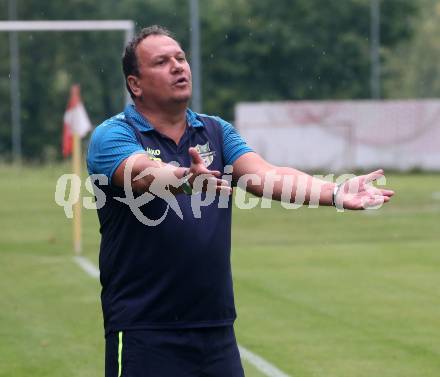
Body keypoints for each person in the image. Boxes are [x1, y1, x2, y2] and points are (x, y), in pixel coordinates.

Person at [87, 25, 394, 377]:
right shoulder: (114, 134)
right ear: (135, 84)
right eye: (161, 61)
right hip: (145, 331)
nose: (177, 66)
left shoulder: (215, 131)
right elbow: (140, 173)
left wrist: (335, 192)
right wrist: (184, 179)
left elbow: (265, 175)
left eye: (180, 58)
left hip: (216, 331)